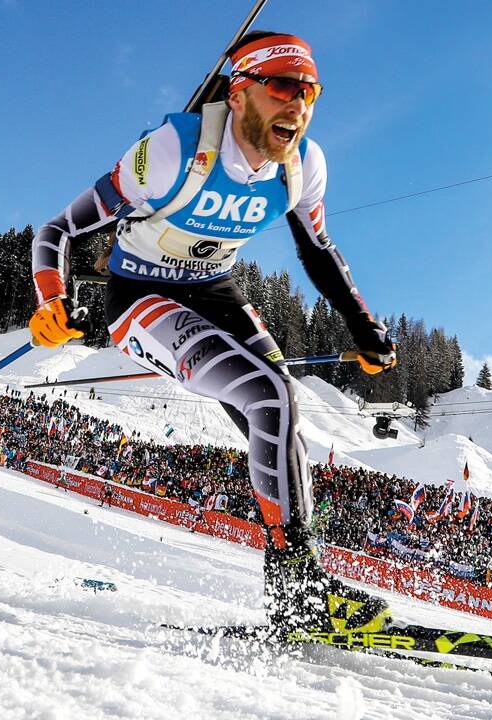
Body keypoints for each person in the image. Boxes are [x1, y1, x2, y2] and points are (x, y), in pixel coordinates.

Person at [28, 30, 396, 633]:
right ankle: (296, 584)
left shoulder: (303, 165)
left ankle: (304, 578)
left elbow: (318, 249)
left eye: (310, 93)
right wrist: (52, 301)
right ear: (242, 91)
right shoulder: (174, 150)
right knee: (271, 396)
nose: (298, 106)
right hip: (141, 296)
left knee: (279, 412)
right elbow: (60, 229)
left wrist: (361, 322)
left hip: (216, 291)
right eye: (282, 88)